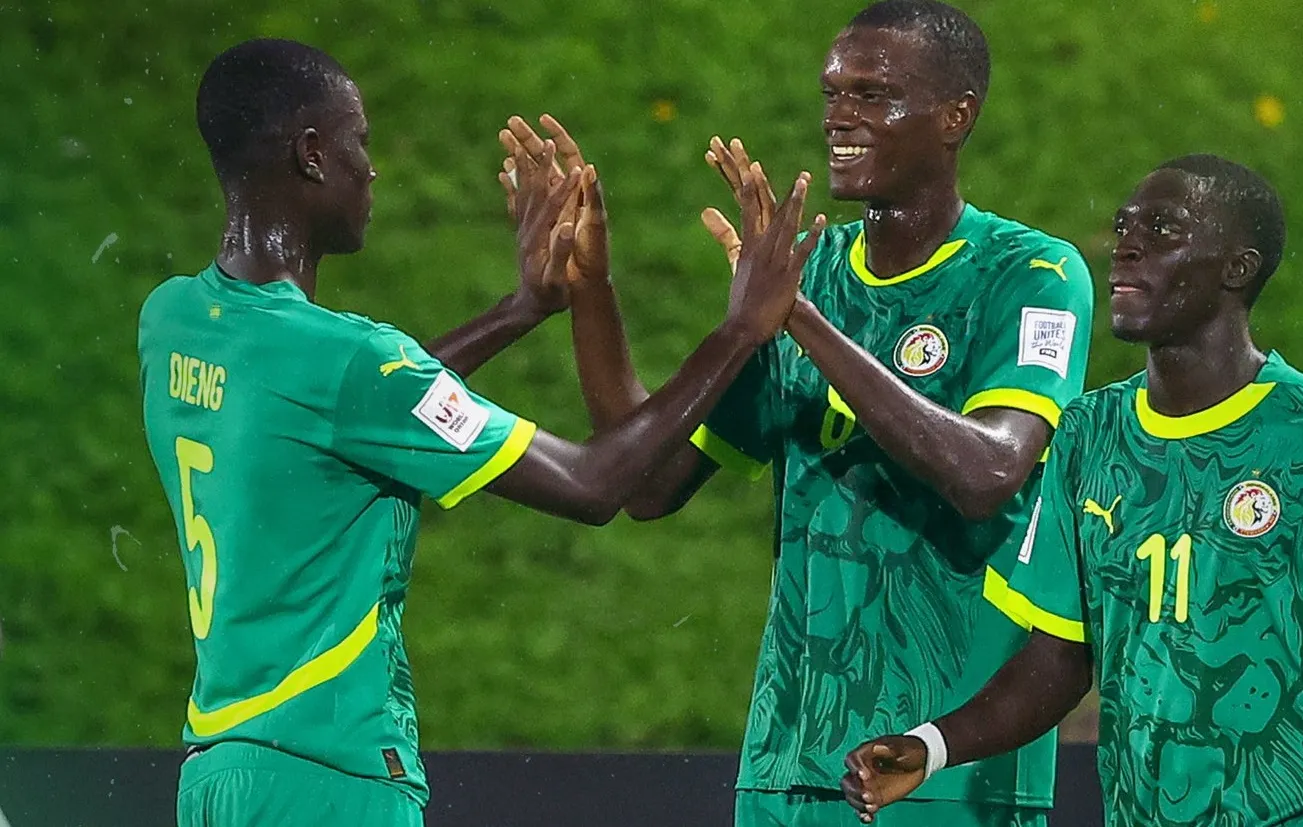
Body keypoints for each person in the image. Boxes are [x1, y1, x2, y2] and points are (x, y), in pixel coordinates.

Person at [138, 38, 824, 827]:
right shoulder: (349, 363)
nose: (373, 167)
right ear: (313, 155)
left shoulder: (175, 321)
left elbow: (345, 409)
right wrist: (739, 330)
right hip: (328, 777)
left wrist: (522, 309)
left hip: (217, 772)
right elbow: (595, 483)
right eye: (359, 139)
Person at [500, 0, 1096, 823]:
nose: (839, 119)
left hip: (944, 769)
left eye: (873, 96)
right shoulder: (802, 276)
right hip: (788, 767)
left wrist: (799, 322)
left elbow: (988, 471)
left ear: (955, 116)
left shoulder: (1029, 271)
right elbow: (647, 482)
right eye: (832, 94)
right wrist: (588, 290)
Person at [843, 155, 1298, 827]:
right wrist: (932, 745)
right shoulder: (1089, 434)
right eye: (1123, 226)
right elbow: (1058, 657)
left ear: (1236, 267)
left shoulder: (1290, 433)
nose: (1126, 245)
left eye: (1162, 228)